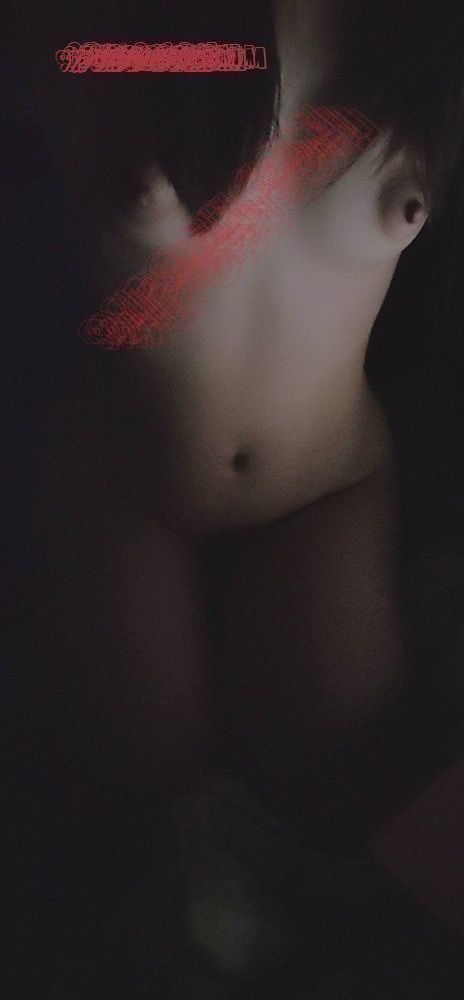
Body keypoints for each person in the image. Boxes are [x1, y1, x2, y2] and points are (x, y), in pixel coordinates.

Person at [3, 1, 464, 995]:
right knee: (132, 821)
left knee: (333, 801)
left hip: (325, 486)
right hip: (124, 487)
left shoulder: (420, 33)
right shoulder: (98, 24)